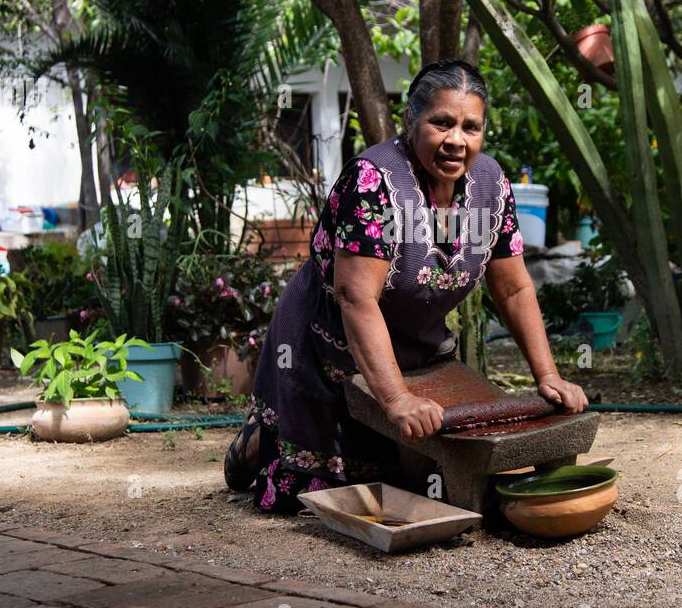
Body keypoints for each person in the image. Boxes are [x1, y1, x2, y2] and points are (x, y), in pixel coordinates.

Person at [225, 58, 588, 512]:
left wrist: (548, 376)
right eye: (442, 122)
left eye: (471, 127)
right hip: (328, 341)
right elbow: (356, 297)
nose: (457, 140)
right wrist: (395, 398)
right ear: (410, 120)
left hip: (416, 347)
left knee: (412, 483)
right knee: (324, 492)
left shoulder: (492, 184)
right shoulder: (373, 181)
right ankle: (257, 443)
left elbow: (513, 289)